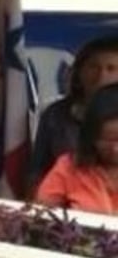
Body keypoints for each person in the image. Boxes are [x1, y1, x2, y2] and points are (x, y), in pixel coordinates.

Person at [27, 35, 118, 195]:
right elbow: (37, 172)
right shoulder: (55, 115)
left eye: (111, 68)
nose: (101, 76)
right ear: (79, 72)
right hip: (65, 207)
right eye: (93, 67)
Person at [33, 82, 118, 215]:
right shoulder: (69, 167)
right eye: (106, 140)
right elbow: (41, 213)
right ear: (91, 136)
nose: (115, 149)